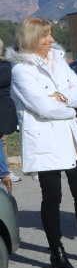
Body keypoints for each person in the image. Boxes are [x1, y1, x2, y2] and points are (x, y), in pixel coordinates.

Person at [9, 18, 77, 268]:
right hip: (45, 141)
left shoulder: (58, 60)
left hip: (71, 138)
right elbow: (42, 107)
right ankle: (57, 251)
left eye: (51, 35)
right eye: (45, 36)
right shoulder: (21, 71)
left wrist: (62, 97)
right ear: (32, 38)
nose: (51, 40)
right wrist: (69, 108)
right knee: (52, 198)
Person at [0, 41, 19, 192]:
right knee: (1, 141)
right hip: (6, 110)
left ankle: (4, 172)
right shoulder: (8, 67)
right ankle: (5, 172)